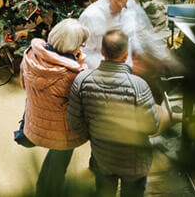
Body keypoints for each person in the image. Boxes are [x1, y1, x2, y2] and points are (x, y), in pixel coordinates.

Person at [68, 30, 160, 197]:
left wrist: (95, 136)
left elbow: (75, 122)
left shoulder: (81, 81)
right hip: (135, 162)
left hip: (102, 158)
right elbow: (151, 126)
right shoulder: (139, 85)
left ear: (102, 52)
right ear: (126, 55)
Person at [20, 18, 90, 196]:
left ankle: (41, 188)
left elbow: (23, 85)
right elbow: (81, 103)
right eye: (81, 43)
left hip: (36, 119)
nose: (82, 47)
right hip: (62, 129)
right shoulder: (70, 75)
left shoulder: (30, 55)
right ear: (71, 46)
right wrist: (80, 66)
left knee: (54, 161)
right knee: (59, 168)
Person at [78, 0, 158, 72]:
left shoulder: (130, 5)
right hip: (100, 75)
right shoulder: (90, 16)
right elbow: (83, 54)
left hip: (127, 71)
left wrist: (141, 55)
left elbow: (132, 36)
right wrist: (115, 68)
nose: (121, 4)